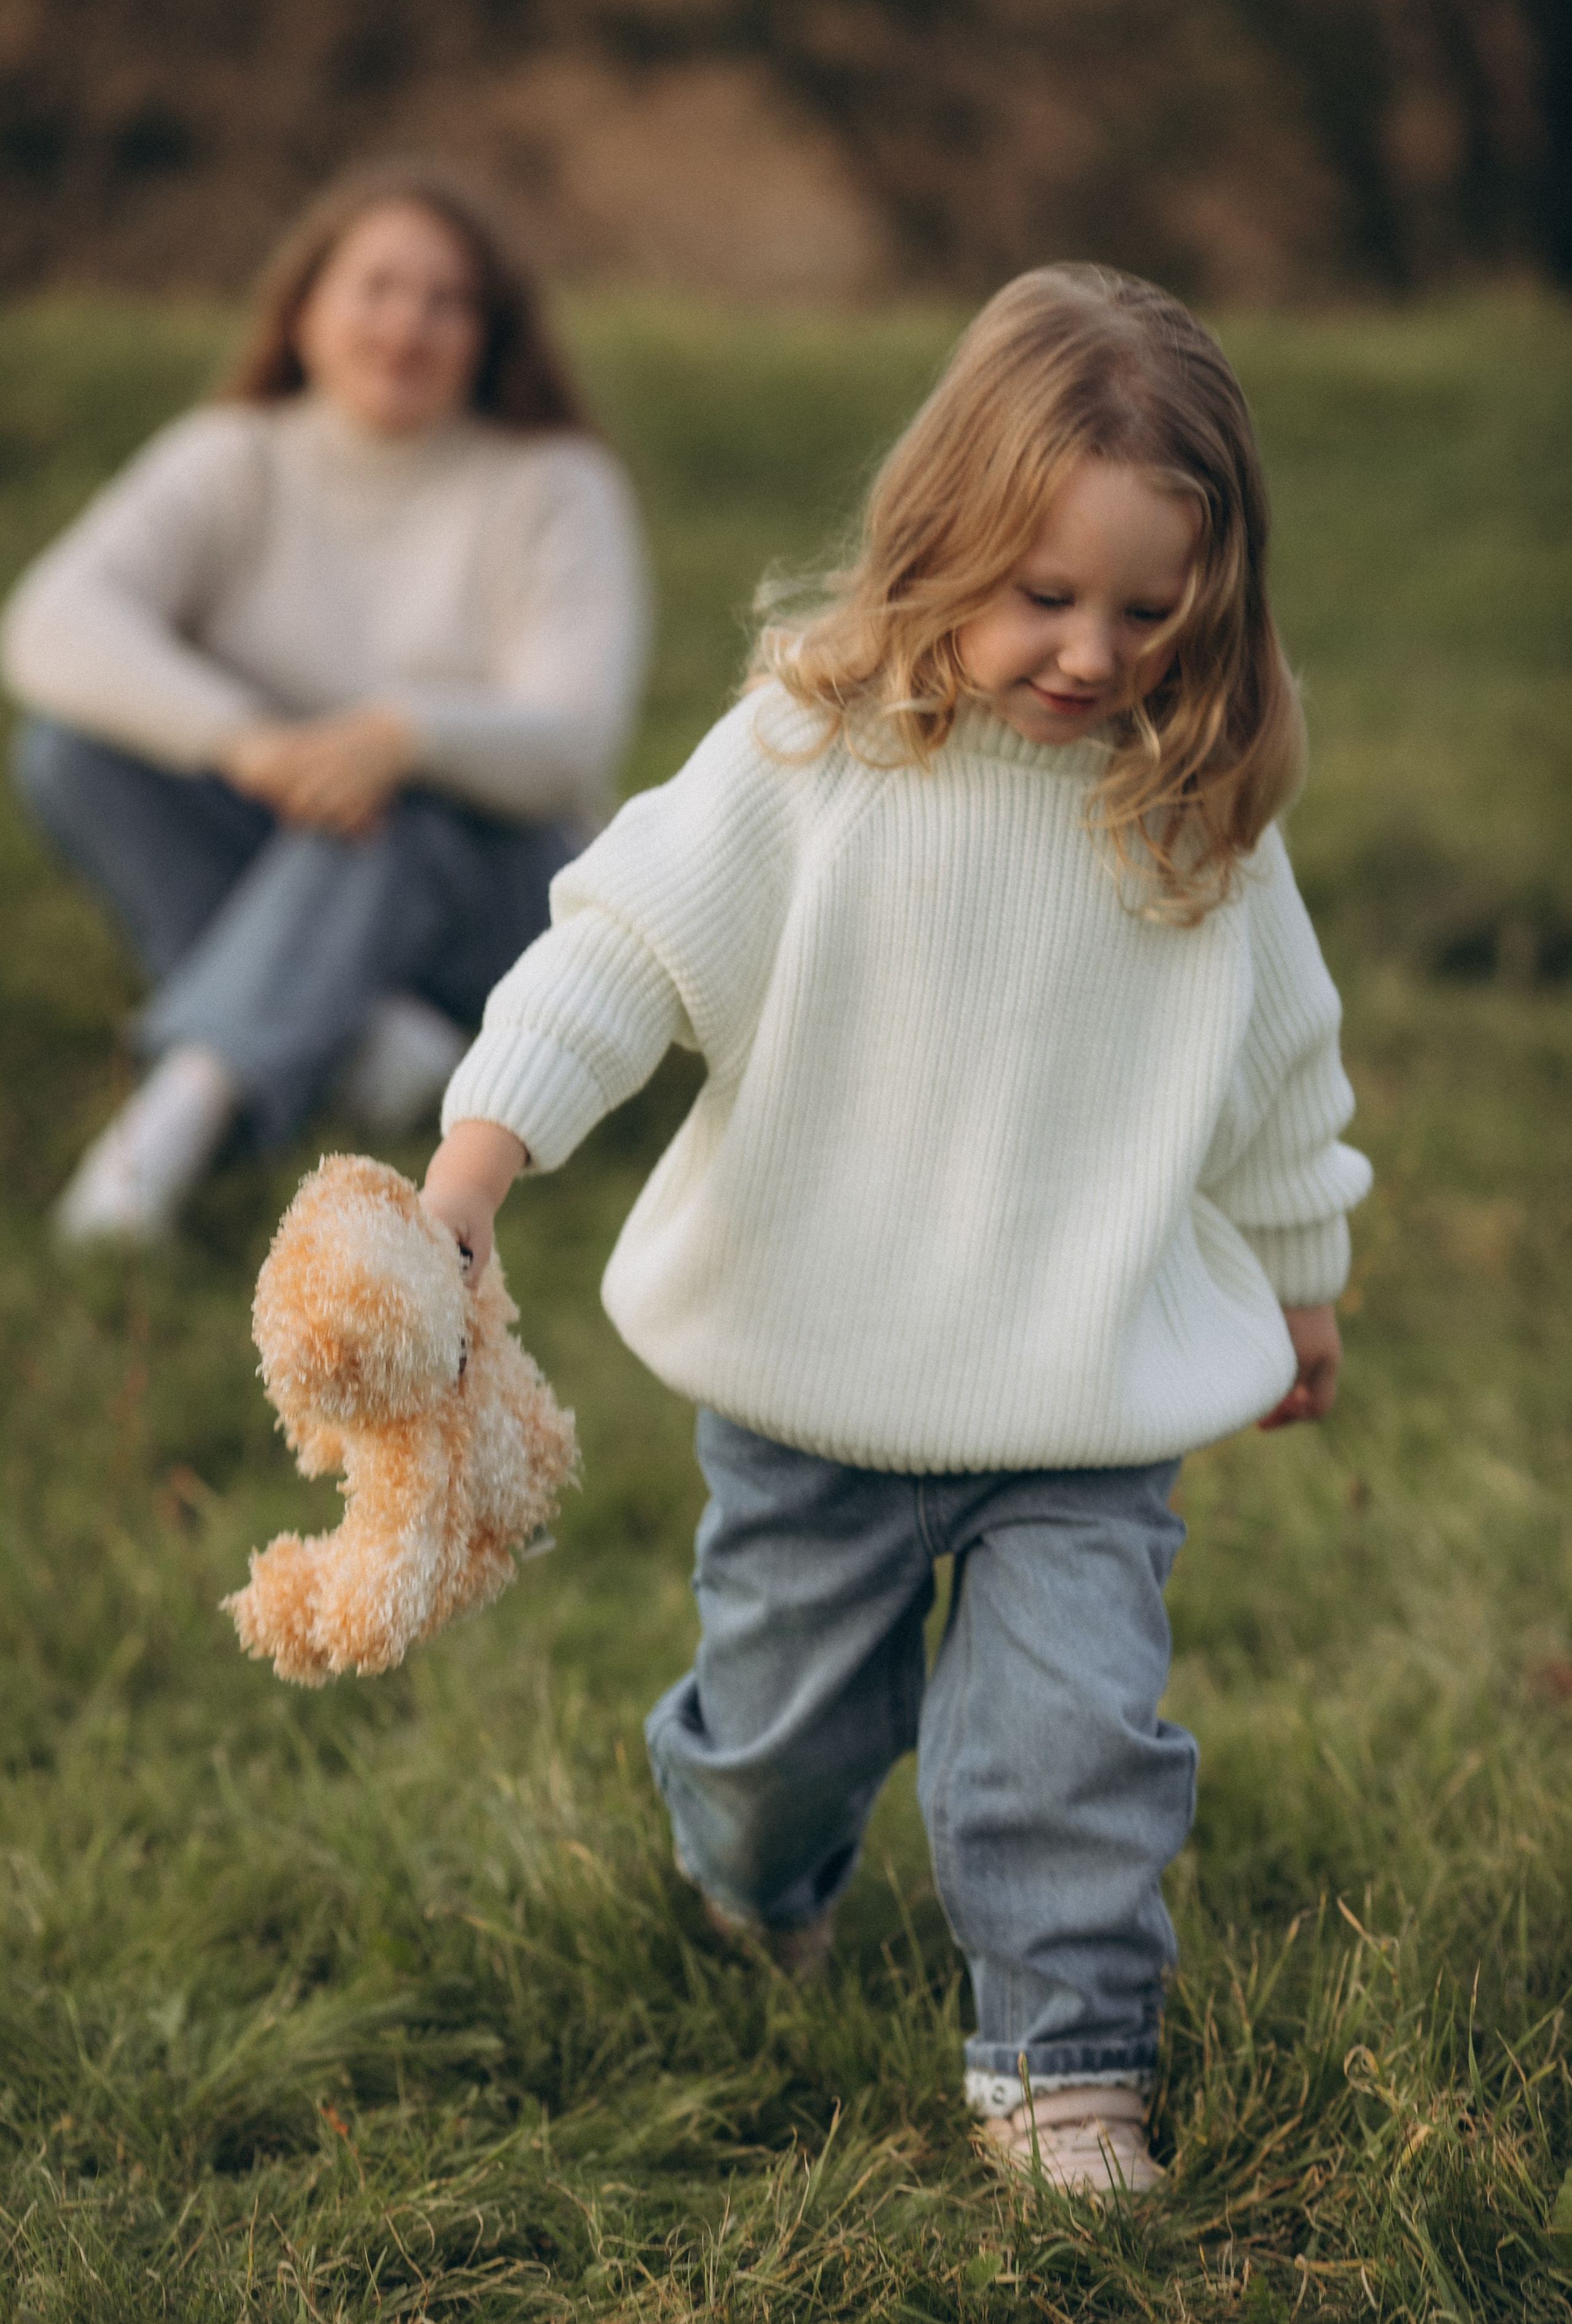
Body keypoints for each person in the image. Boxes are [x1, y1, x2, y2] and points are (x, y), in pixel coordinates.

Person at [419, 266, 1372, 2195]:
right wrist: (474, 1164)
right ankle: (747, 1880)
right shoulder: (812, 759)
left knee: (1064, 1749)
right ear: (938, 540)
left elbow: (1283, 1073)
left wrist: (1301, 1281)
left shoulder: (1199, 824)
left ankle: (1064, 2064)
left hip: (1078, 1407)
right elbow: (621, 956)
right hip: (812, 1389)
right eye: (1044, 595)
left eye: (1147, 607)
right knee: (785, 1743)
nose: (1091, 654)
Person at [3, 160, 650, 1244]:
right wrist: (247, 742)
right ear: (304, 308)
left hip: (499, 894)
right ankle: (356, 1034)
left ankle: (173, 1121)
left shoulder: (553, 485)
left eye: (448, 302)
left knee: (393, 812)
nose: (408, 323)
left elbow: (573, 738)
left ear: (490, 337)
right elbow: (50, 622)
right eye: (378, 288)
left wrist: (403, 736)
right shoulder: (233, 460)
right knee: (73, 754)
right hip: (295, 830)